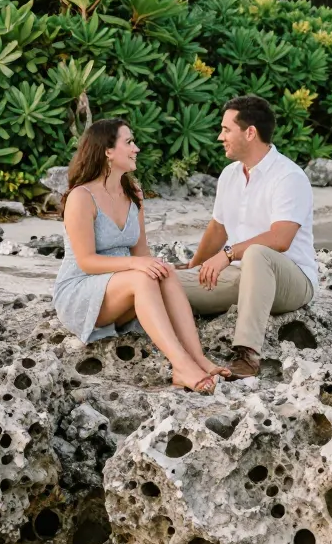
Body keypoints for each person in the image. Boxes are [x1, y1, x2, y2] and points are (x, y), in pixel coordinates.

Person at [52, 118, 228, 393]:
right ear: (108, 151)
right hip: (81, 290)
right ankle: (181, 365)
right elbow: (86, 261)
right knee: (142, 277)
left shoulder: (133, 192)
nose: (136, 148)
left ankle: (199, 358)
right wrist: (137, 264)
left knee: (164, 269)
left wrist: (147, 264)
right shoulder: (81, 196)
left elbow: (142, 253)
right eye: (129, 142)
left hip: (124, 285)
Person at [179, 94, 318, 378]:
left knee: (256, 253)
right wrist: (195, 267)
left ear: (250, 132)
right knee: (160, 280)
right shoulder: (229, 175)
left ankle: (247, 356)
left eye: (226, 129)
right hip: (241, 279)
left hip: (291, 281)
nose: (220, 137)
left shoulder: (288, 177)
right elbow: (217, 228)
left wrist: (227, 255)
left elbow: (280, 239)